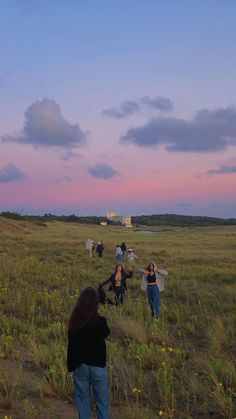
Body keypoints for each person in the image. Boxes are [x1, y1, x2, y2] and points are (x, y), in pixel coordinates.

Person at [67, 287, 110, 419]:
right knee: (102, 403)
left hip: (80, 365)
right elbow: (106, 333)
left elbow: (71, 342)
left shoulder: (75, 321)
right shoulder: (100, 321)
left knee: (83, 402)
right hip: (98, 366)